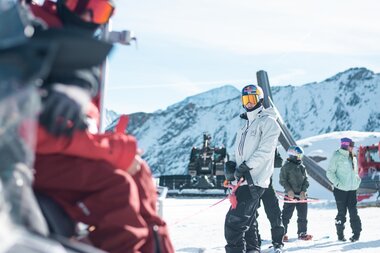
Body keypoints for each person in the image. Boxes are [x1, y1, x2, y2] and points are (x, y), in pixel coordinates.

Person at [29, 1, 175, 252]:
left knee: (140, 176)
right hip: (29, 153)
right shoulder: (33, 28)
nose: (85, 17)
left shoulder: (78, 53)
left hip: (53, 148)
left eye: (97, 10)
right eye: (77, 4)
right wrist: (114, 150)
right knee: (118, 188)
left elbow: (80, 80)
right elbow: (42, 129)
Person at [224, 84, 281, 253]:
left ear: (260, 100)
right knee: (248, 225)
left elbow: (265, 150)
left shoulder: (269, 122)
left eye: (252, 98)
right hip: (242, 181)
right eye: (246, 99)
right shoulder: (244, 125)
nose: (249, 103)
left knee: (234, 224)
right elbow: (238, 151)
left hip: (254, 181)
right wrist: (232, 164)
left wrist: (246, 166)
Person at [326, 137, 362, 242]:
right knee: (342, 213)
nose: (353, 147)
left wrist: (357, 180)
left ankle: (356, 235)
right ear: (346, 145)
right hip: (340, 190)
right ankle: (340, 235)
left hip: (352, 190)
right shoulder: (337, 156)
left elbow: (355, 172)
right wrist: (337, 183)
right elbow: (329, 172)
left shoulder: (353, 156)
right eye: (351, 145)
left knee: (353, 212)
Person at [279, 145, 312, 241]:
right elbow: (282, 180)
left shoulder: (302, 167)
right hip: (290, 196)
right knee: (286, 216)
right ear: (293, 155)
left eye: (301, 156)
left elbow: (306, 180)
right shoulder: (286, 167)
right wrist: (289, 190)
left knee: (302, 215)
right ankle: (282, 233)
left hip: (301, 196)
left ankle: (302, 233)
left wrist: (303, 191)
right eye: (298, 156)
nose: (300, 158)